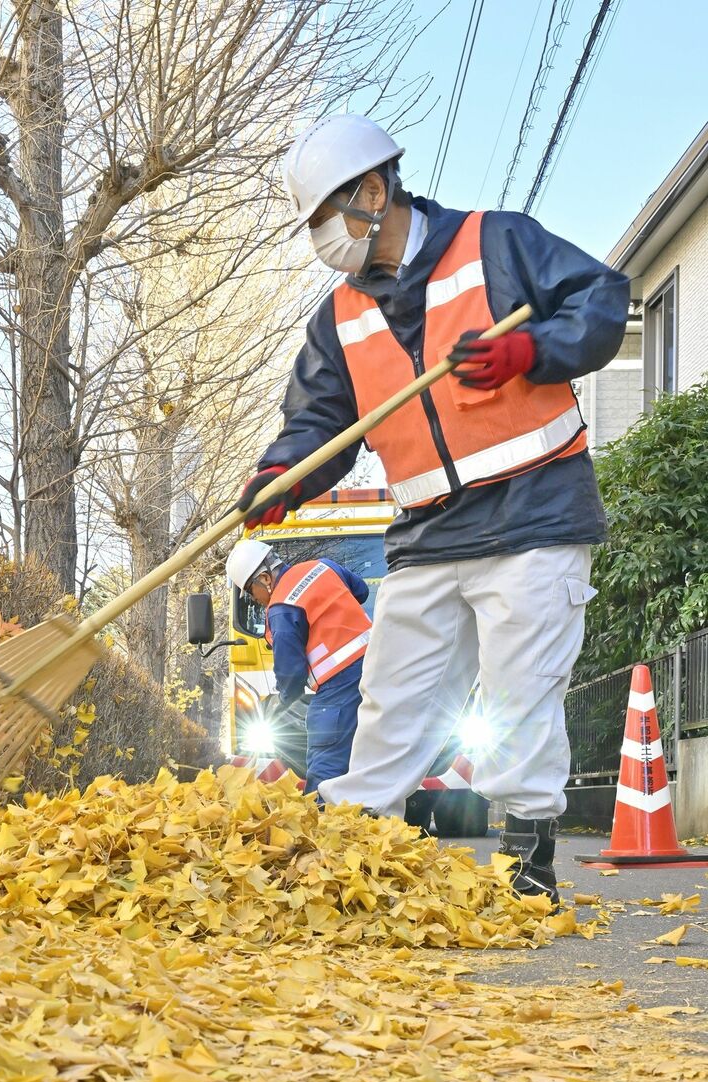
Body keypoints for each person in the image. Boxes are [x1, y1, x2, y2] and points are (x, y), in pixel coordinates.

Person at [237, 113, 629, 903]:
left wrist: (534, 350)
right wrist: (283, 475)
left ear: (374, 192)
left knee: (521, 693)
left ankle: (527, 869)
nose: (322, 240)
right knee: (389, 704)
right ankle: (352, 861)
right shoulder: (339, 318)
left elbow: (603, 298)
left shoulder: (499, 244)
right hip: (427, 534)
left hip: (535, 518)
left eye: (324, 220)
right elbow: (319, 423)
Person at [225, 541, 371, 793]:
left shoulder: (281, 608)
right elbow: (361, 591)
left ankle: (325, 825)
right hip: (377, 664)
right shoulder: (323, 567)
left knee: (326, 758)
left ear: (265, 578)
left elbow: (291, 673)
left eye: (251, 590)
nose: (255, 599)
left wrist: (282, 700)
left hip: (340, 683)